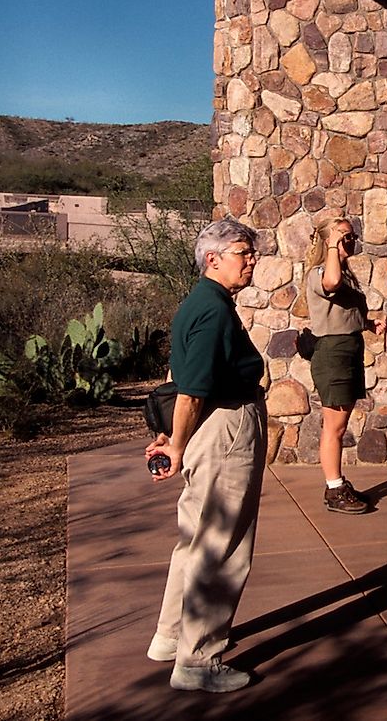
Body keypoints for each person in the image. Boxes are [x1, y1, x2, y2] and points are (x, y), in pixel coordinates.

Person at [146, 218, 266, 693]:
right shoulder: (214, 309)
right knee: (221, 545)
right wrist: (175, 444)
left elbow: (185, 381)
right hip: (226, 430)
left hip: (210, 428)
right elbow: (192, 390)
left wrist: (174, 437)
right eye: (243, 251)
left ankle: (170, 637)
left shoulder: (202, 302)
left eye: (252, 251)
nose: (251, 259)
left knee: (194, 539)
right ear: (212, 258)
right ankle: (198, 661)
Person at [304, 216, 386, 514]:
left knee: (340, 423)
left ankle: (337, 483)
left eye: (351, 237)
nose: (350, 241)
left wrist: (367, 323)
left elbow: (343, 310)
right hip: (333, 354)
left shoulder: (346, 274)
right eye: (343, 237)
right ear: (327, 241)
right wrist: (332, 246)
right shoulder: (320, 273)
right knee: (334, 427)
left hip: (348, 350)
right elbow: (331, 283)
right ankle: (334, 488)